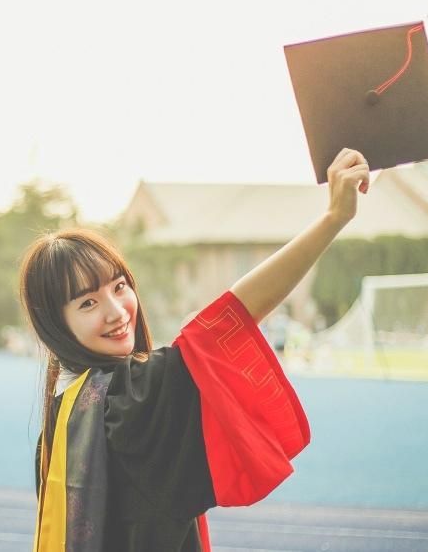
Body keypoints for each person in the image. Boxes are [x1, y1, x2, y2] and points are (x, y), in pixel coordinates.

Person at [21, 148, 370, 552]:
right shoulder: (127, 401)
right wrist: (333, 219)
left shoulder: (64, 409)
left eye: (119, 286)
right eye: (87, 303)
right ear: (54, 324)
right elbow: (228, 321)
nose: (117, 312)